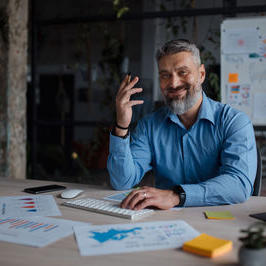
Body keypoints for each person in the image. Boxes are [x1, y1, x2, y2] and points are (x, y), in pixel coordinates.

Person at [107, 39, 257, 210]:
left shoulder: (234, 122)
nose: (174, 83)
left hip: (218, 220)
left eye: (183, 72)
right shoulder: (149, 125)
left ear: (201, 74)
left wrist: (176, 195)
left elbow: (238, 184)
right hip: (165, 222)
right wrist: (121, 125)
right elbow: (122, 181)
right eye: (165, 75)